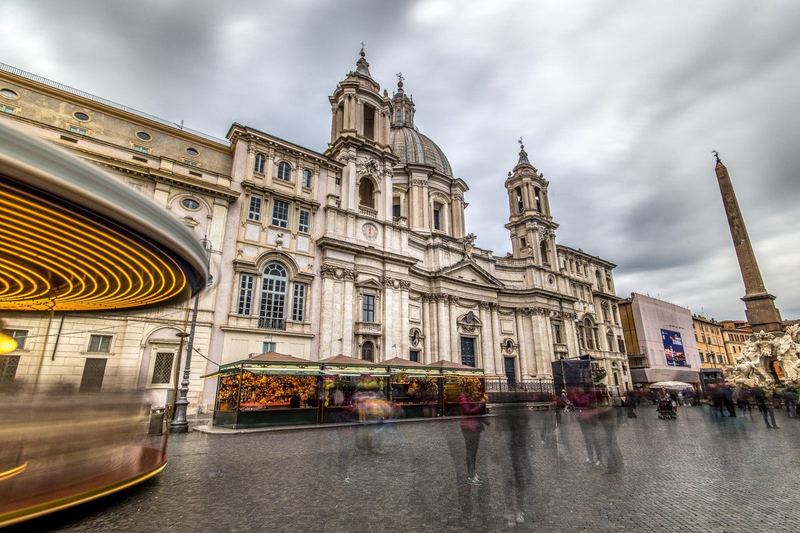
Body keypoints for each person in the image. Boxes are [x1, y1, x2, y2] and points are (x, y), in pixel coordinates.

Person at [459, 389, 487, 485]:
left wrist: (483, 403)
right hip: (468, 427)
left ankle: (473, 473)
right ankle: (471, 476)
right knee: (470, 452)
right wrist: (480, 404)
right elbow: (469, 412)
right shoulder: (463, 397)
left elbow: (480, 412)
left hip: (476, 427)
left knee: (473, 452)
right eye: (473, 386)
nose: (476, 389)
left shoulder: (473, 397)